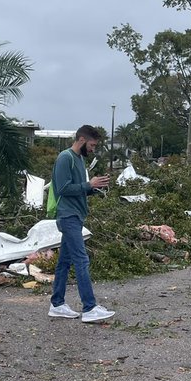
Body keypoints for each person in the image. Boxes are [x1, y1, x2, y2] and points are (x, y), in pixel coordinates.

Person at [48, 125, 114, 323]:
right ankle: (89, 307)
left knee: (64, 262)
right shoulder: (65, 158)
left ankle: (57, 304)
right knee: (81, 260)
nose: (93, 149)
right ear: (82, 140)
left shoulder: (78, 159)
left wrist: (95, 188)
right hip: (67, 216)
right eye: (92, 145)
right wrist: (89, 184)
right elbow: (63, 189)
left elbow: (77, 189)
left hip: (76, 215)